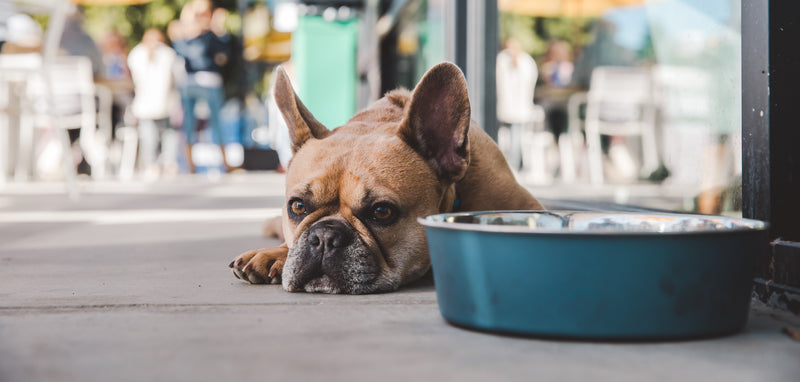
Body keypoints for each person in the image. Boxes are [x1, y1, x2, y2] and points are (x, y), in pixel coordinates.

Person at [169, 0, 232, 173]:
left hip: (192, 81)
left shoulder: (185, 34)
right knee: (213, 122)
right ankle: (221, 163)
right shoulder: (208, 34)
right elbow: (222, 56)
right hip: (206, 80)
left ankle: (191, 165)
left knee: (190, 122)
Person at [127, 28, 180, 179]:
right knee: (168, 134)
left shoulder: (136, 54)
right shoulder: (168, 54)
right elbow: (177, 77)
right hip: (164, 102)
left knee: (149, 135)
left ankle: (152, 165)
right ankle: (169, 163)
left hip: (147, 103)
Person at [496, 37, 538, 170]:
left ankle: (511, 163)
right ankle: (515, 163)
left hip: (508, 107)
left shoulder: (502, 60)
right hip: (519, 107)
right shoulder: (527, 61)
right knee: (516, 136)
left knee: (510, 136)